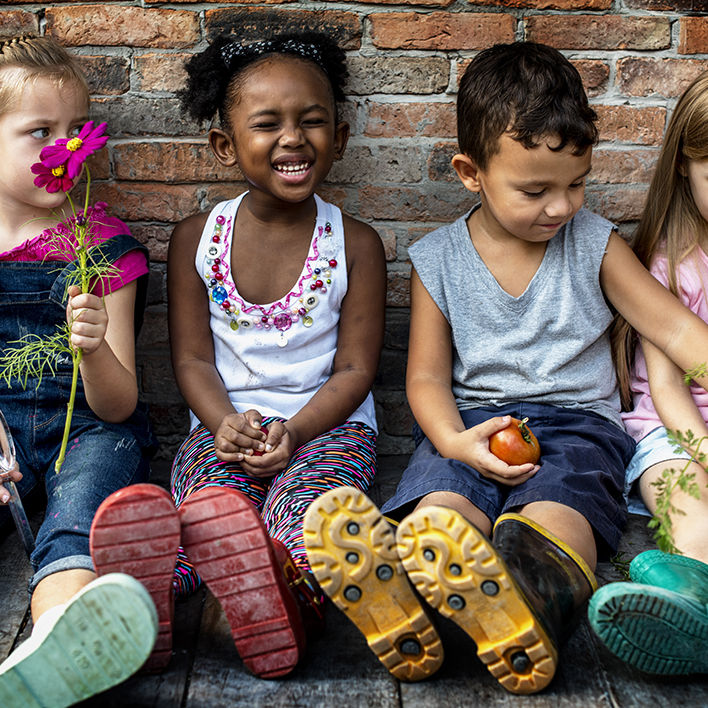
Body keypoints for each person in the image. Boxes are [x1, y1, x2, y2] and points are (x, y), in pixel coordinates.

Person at [304, 43, 708, 695]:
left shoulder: (597, 244)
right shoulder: (437, 260)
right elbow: (429, 379)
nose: (561, 206)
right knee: (441, 508)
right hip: (469, 427)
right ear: (471, 172)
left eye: (575, 183)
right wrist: (451, 440)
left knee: (555, 516)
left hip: (579, 430)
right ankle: (408, 592)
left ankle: (529, 596)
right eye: (535, 190)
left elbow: (674, 328)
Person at [88, 29, 394, 680]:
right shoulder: (198, 240)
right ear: (226, 146)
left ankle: (280, 594)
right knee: (210, 507)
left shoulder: (356, 245)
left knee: (312, 513)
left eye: (312, 121)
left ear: (338, 139)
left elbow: (355, 370)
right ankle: (150, 591)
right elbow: (194, 361)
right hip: (222, 428)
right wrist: (223, 423)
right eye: (267, 124)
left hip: (328, 430)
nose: (292, 137)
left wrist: (299, 429)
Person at [0, 35, 158, 706]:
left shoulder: (105, 248)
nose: (66, 149)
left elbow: (120, 403)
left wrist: (93, 347)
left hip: (86, 430)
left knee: (82, 506)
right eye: (41, 132)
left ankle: (58, 635)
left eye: (76, 132)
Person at [588, 71, 708, 677]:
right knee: (692, 509)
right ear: (685, 166)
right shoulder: (669, 261)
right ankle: (694, 612)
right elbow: (665, 387)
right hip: (670, 434)